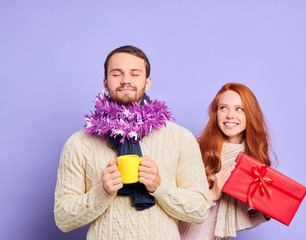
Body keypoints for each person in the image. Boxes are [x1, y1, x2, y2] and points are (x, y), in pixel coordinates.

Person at [54, 45, 210, 240]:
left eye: (135, 74)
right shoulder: (79, 143)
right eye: (117, 74)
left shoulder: (180, 138)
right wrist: (101, 192)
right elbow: (63, 218)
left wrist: (159, 187)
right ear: (105, 82)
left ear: (148, 82)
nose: (126, 80)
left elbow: (200, 211)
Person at [179, 83, 274, 240]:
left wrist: (265, 215)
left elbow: (236, 222)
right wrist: (213, 194)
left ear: (250, 114)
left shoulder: (253, 165)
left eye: (239, 109)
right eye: (223, 108)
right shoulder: (196, 148)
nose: (230, 115)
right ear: (216, 113)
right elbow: (175, 200)